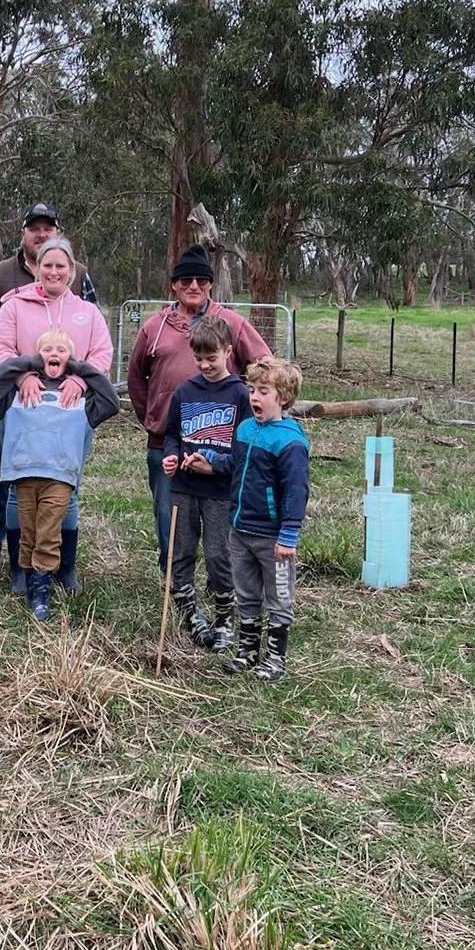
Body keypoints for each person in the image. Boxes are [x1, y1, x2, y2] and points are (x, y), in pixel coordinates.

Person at [0, 202, 97, 586]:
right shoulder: (3, 278)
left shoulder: (81, 281)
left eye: (47, 228)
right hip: (19, 406)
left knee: (63, 485)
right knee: (1, 476)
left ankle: (60, 566)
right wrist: (17, 378)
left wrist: (81, 381)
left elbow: (97, 343)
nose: (41, 234)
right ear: (24, 235)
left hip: (68, 409)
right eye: (34, 228)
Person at [128, 243, 271, 572]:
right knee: (169, 512)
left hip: (222, 446)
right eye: (186, 280)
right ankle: (174, 578)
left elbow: (265, 365)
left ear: (210, 285)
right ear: (174, 285)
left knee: (220, 515)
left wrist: (253, 412)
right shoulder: (154, 327)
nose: (194, 286)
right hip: (168, 442)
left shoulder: (231, 323)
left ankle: (222, 577)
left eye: (201, 280)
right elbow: (136, 376)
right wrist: (152, 417)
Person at [0, 329, 118, 620]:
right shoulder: (17, 392)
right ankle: (28, 579)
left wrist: (79, 369)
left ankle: (42, 589)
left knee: (47, 532)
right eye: (46, 350)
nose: (54, 354)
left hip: (59, 476)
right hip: (24, 474)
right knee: (28, 531)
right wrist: (27, 365)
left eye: (62, 350)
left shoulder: (79, 396)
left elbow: (111, 401)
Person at [160, 317, 251, 650]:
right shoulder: (185, 392)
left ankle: (224, 617)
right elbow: (171, 434)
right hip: (183, 488)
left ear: (228, 351)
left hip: (220, 492)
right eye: (198, 358)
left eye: (211, 358)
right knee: (181, 551)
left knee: (218, 555)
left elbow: (244, 447)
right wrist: (171, 456)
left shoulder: (240, 394)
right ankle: (189, 613)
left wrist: (214, 467)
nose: (204, 365)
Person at [225, 356, 310, 680]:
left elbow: (296, 491)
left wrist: (289, 534)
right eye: (251, 390)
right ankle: (247, 650)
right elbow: (235, 466)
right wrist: (211, 462)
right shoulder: (245, 429)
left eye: (263, 391)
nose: (254, 397)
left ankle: (275, 657)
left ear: (283, 398)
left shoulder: (290, 442)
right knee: (246, 592)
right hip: (240, 530)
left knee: (279, 595)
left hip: (273, 537)